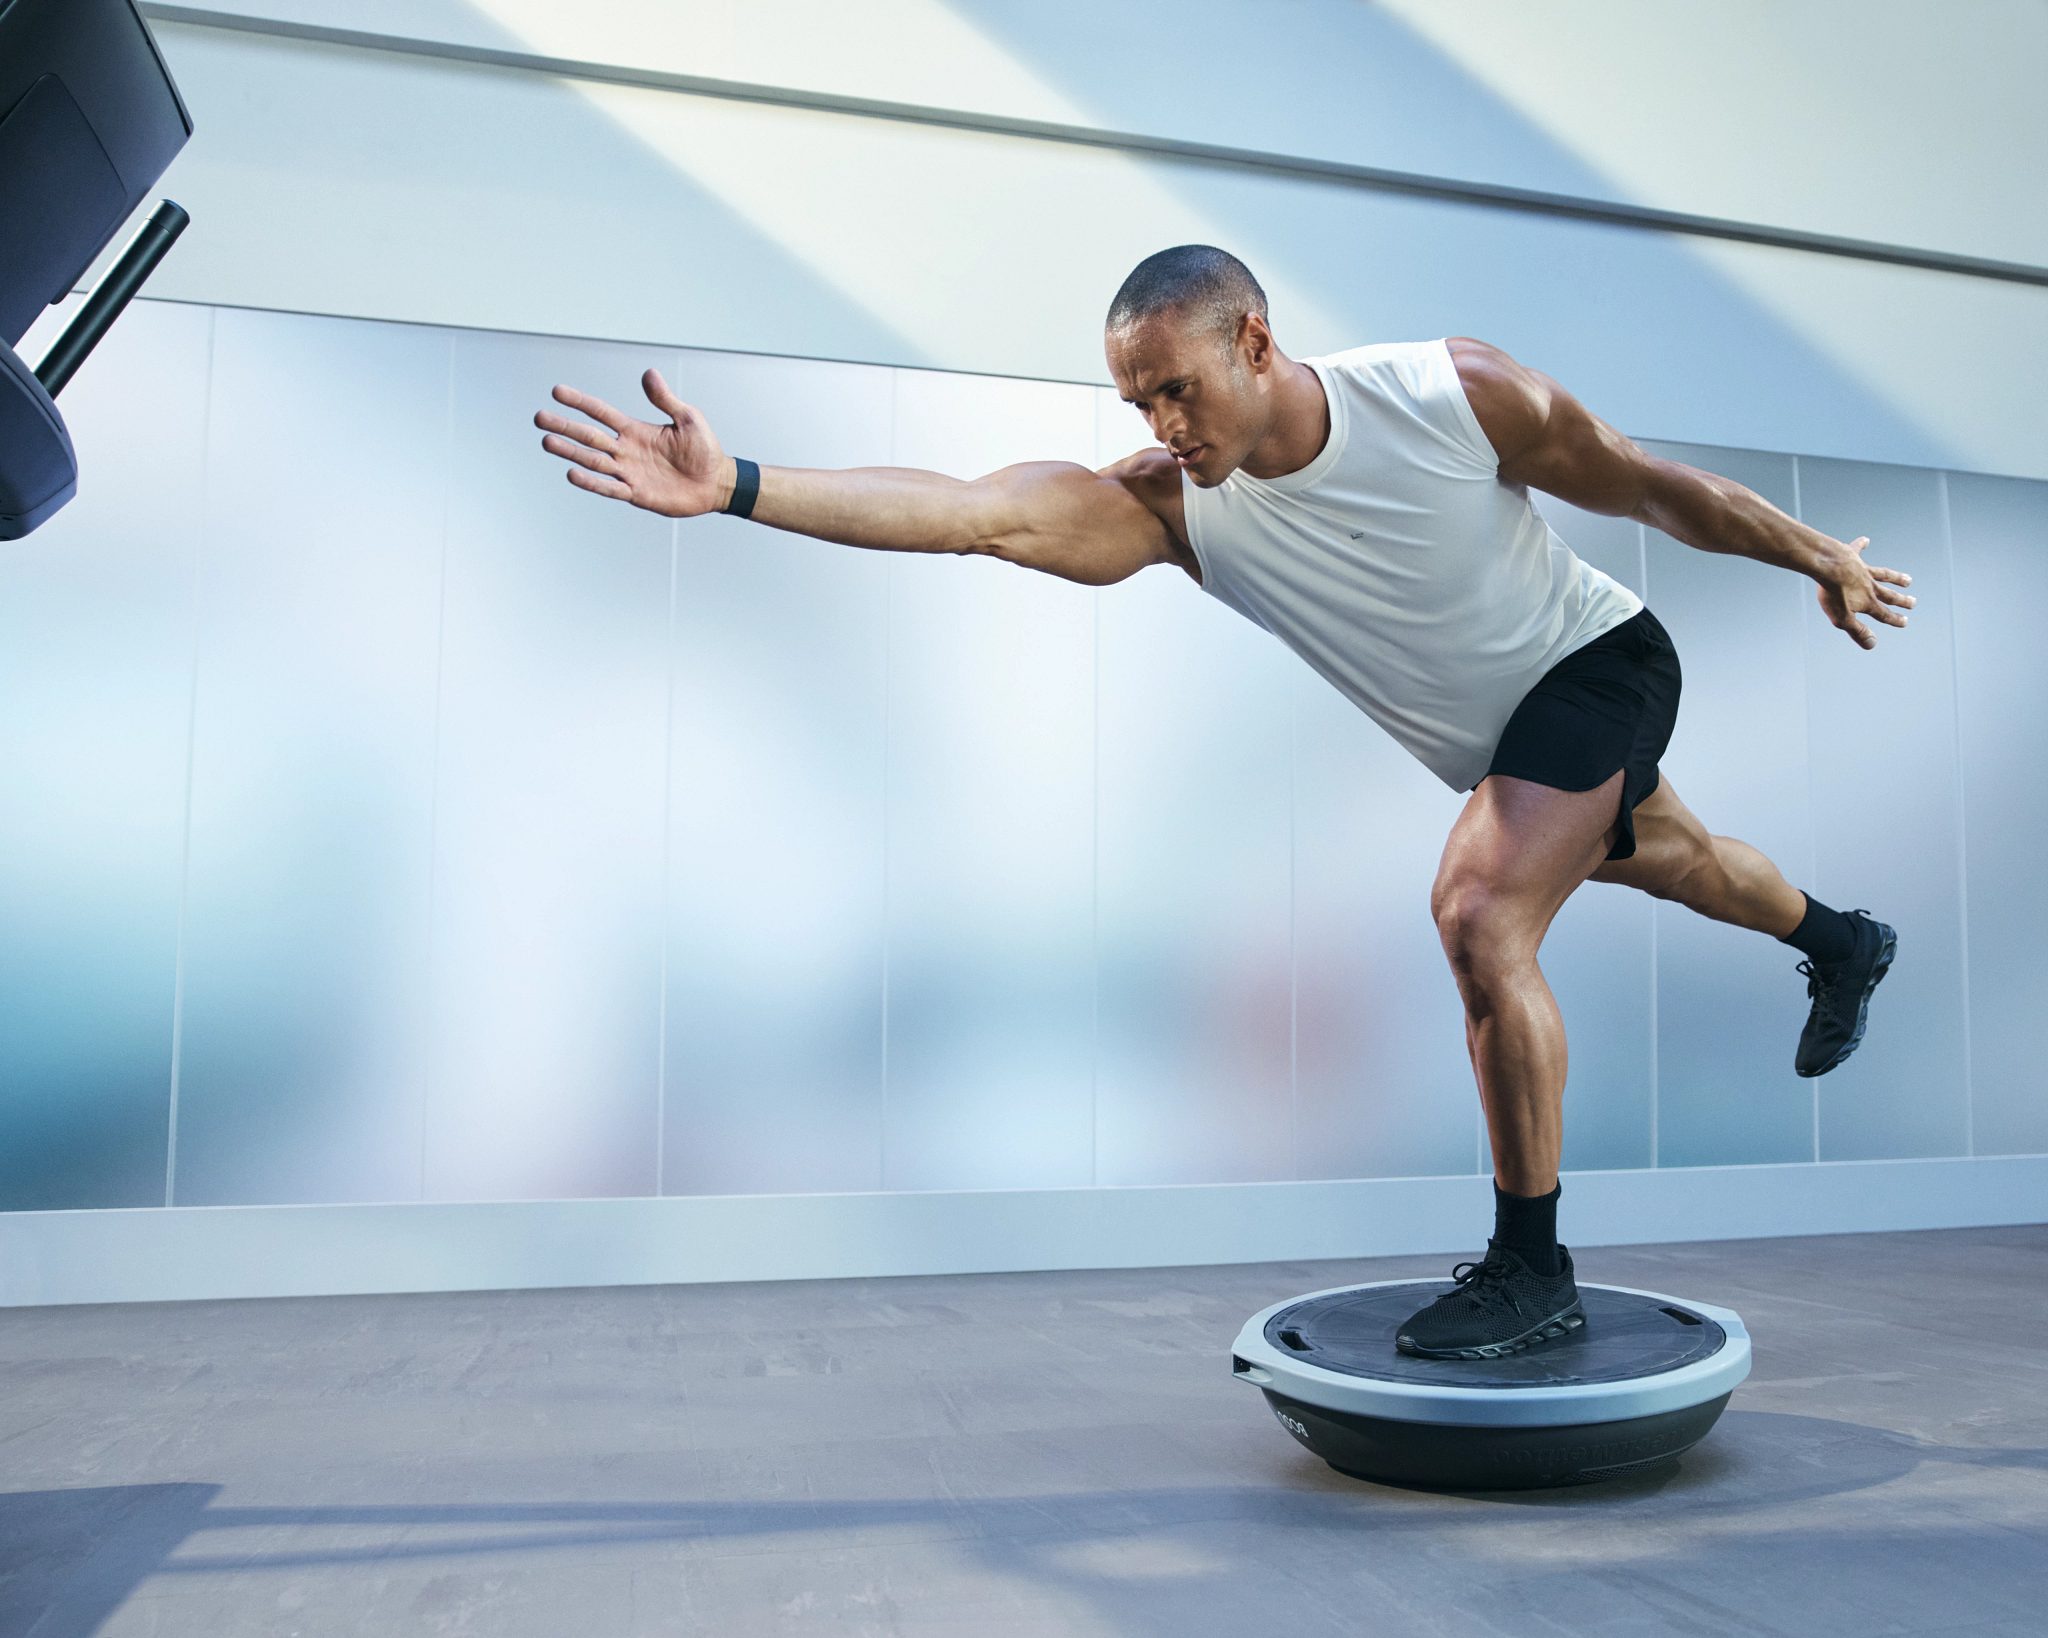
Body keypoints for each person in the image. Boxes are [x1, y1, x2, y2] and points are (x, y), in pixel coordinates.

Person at [534, 244, 1910, 1361]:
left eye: (1179, 390)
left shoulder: (1451, 394)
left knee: (1482, 912)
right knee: (1675, 859)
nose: (1163, 428)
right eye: (1138, 404)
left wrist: (1812, 557)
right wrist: (739, 489)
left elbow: (1649, 486)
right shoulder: (1174, 508)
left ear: (1254, 341)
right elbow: (974, 510)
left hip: (1596, 663)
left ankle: (1530, 1264)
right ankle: (1840, 940)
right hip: (1503, 740)